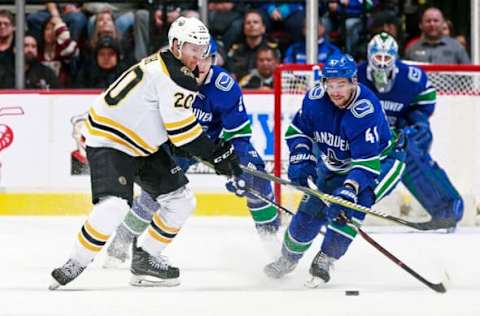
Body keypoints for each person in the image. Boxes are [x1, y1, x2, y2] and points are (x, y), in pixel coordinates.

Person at [49, 17, 242, 290]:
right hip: (110, 141)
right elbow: (183, 133)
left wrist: (215, 155)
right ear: (175, 45)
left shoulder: (167, 63)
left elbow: (168, 126)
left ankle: (146, 258)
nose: (197, 57)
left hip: (141, 146)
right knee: (114, 205)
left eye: (202, 50)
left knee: (181, 201)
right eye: (191, 49)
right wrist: (216, 155)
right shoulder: (176, 77)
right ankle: (76, 261)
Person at [104, 39, 280, 267]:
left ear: (214, 60)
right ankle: (120, 244)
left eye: (207, 58)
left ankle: (272, 241)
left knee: (255, 177)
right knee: (155, 193)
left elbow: (238, 133)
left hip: (209, 142)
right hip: (172, 142)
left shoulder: (224, 87)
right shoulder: (168, 79)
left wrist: (236, 165)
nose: (200, 64)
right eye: (197, 57)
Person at [264, 51, 406, 287]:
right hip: (337, 164)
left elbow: (366, 163)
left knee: (352, 206)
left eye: (342, 84)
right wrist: (301, 155)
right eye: (331, 84)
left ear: (354, 82)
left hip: (382, 161)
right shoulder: (315, 100)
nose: (336, 91)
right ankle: (288, 259)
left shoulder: (365, 110)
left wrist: (350, 188)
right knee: (311, 209)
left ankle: (326, 258)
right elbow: (299, 132)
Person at [357, 32, 463, 229]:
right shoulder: (356, 75)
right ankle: (336, 204)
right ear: (369, 56)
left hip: (397, 134)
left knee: (410, 151)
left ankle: (448, 209)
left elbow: (425, 103)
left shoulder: (411, 77)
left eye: (386, 57)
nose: (381, 63)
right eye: (378, 57)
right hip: (364, 136)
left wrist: (412, 126)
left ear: (395, 58)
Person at [404, 7, 470, 64]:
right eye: (428, 21)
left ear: (443, 24)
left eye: (436, 21)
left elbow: (468, 74)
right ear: (421, 25)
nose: (432, 24)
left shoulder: (456, 47)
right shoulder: (412, 49)